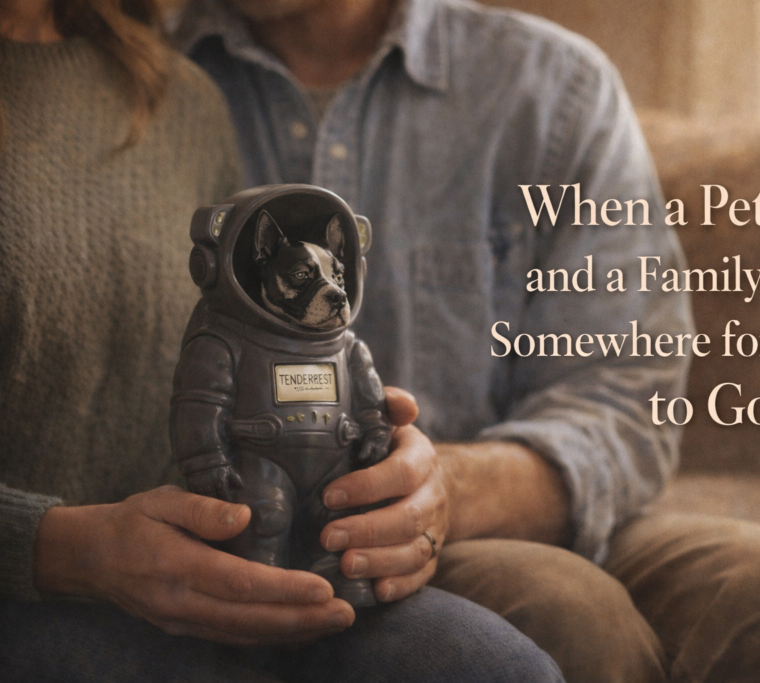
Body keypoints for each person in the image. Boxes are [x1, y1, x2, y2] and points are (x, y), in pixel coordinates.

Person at [175, 0, 760, 681]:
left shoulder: (557, 87)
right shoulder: (149, 83)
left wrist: (447, 487)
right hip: (295, 532)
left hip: (524, 502)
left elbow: (624, 394)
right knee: (566, 611)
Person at [0, 2, 566, 681]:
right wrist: (64, 548)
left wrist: (391, 460)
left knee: (498, 667)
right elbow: (206, 385)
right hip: (43, 594)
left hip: (227, 567)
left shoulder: (180, 96)